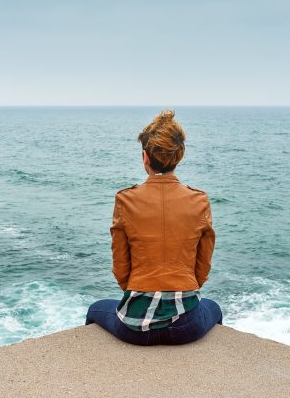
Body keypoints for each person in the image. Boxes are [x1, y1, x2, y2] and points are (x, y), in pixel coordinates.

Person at [85, 110, 222, 346]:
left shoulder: (126, 199)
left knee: (95, 309)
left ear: (145, 158)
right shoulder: (199, 200)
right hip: (187, 325)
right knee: (214, 308)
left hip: (135, 325)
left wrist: (142, 290)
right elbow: (202, 267)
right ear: (180, 156)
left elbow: (121, 269)